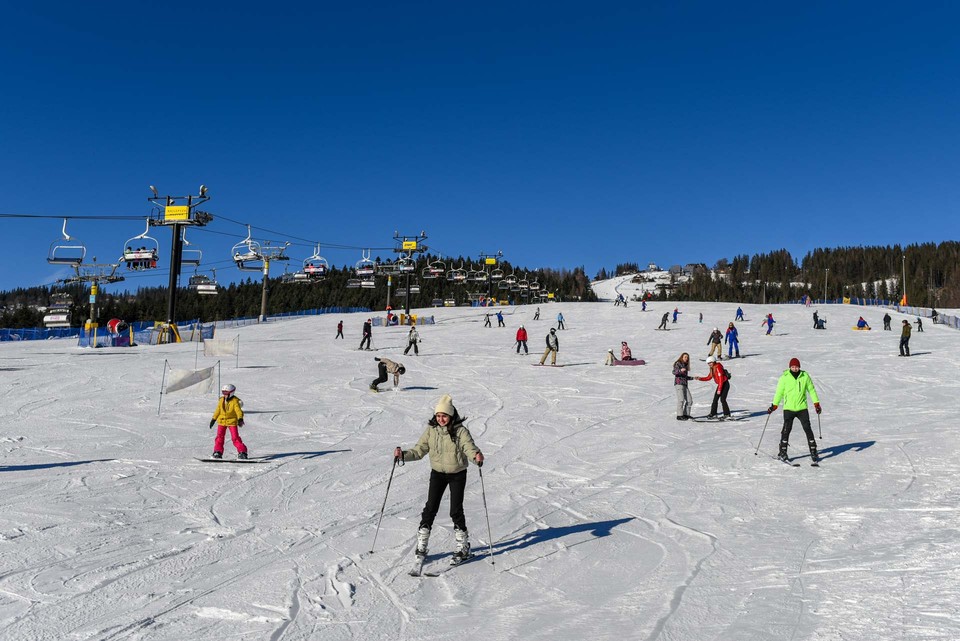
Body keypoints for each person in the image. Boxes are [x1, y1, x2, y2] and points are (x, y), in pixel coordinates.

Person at [394, 394, 484, 565]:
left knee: (455, 511)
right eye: (438, 416)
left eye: (444, 416)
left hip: (457, 474)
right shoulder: (431, 431)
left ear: (451, 416)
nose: (441, 419)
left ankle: (463, 547)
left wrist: (476, 456)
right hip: (437, 474)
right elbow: (419, 450)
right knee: (430, 508)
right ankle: (422, 545)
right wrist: (403, 455)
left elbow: (469, 447)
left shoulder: (460, 431)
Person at [768, 357, 821, 464]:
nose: (795, 368)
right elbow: (779, 392)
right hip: (788, 408)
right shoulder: (784, 377)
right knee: (786, 430)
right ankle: (782, 451)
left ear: (799, 367)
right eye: (793, 367)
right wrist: (774, 405)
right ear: (790, 367)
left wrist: (816, 404)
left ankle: (813, 450)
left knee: (807, 428)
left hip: (802, 408)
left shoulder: (805, 376)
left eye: (796, 367)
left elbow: (811, 390)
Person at [209, 384, 248, 459]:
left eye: (226, 393)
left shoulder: (235, 401)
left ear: (231, 393)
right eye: (223, 393)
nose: (225, 395)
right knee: (219, 437)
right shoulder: (221, 400)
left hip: (232, 422)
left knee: (235, 438)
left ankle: (242, 452)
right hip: (222, 421)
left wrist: (240, 418)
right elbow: (218, 410)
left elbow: (238, 411)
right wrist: (214, 419)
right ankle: (217, 452)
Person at [672, 352, 693, 420]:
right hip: (679, 384)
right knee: (681, 400)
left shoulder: (685, 365)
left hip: (685, 384)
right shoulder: (678, 363)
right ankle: (679, 415)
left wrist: (693, 378)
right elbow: (674, 372)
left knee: (689, 400)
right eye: (685, 357)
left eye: (687, 357)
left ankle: (686, 414)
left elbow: (685, 377)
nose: (686, 358)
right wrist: (680, 370)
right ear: (682, 357)